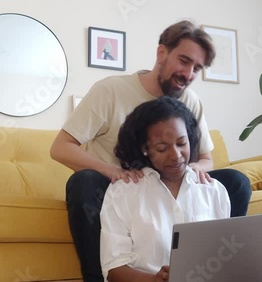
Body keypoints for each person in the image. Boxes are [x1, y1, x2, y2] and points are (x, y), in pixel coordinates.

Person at [50, 19, 251, 282]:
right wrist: (112, 172)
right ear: (161, 53)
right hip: (119, 189)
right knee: (83, 182)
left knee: (236, 182)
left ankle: (218, 272)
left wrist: (188, 169)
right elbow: (60, 148)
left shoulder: (191, 101)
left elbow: (206, 159)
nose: (189, 74)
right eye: (183, 61)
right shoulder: (110, 90)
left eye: (196, 68)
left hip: (169, 186)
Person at [100, 96, 230, 282]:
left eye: (181, 143)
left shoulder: (214, 191)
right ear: (144, 149)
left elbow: (225, 259)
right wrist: (155, 280)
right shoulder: (123, 192)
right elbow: (113, 269)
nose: (176, 156)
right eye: (162, 148)